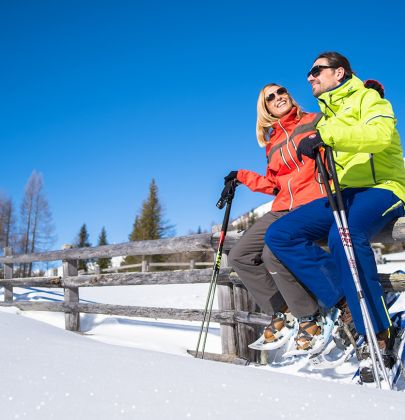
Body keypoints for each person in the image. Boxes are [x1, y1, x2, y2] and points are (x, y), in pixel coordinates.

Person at [265, 52, 405, 378]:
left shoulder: (370, 98)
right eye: (309, 73)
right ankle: (347, 303)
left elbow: (380, 137)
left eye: (317, 70)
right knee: (281, 235)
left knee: (344, 236)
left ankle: (380, 335)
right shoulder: (325, 116)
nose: (310, 77)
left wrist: (327, 137)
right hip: (343, 193)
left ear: (339, 72)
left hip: (385, 187)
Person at [226, 83, 343, 350]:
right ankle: (284, 309)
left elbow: (343, 133)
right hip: (282, 207)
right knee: (239, 256)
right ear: (265, 107)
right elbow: (274, 184)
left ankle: (309, 317)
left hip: (313, 200)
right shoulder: (273, 142)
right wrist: (241, 176)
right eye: (271, 97)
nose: (279, 97)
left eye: (282, 92)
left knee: (271, 253)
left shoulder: (315, 120)